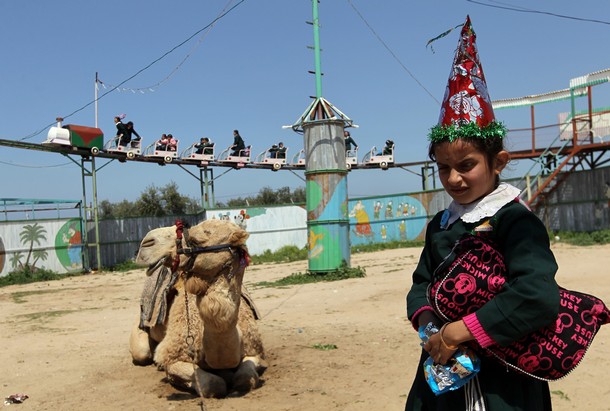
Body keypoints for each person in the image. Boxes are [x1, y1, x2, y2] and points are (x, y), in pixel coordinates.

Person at [405, 16, 560, 411]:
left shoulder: (515, 221)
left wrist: (461, 330)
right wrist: (430, 328)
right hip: (444, 368)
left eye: (467, 165)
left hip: (506, 378)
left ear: (499, 162)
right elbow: (422, 284)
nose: (454, 179)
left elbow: (535, 295)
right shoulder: (441, 226)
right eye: (443, 168)